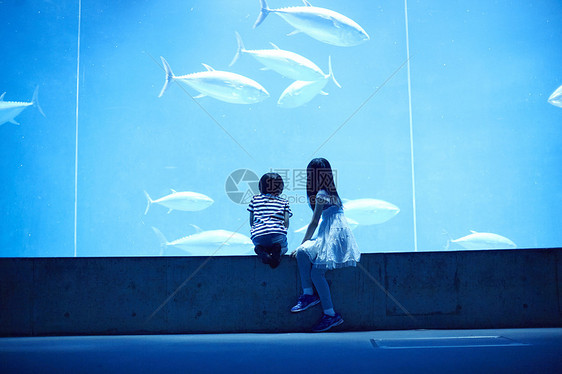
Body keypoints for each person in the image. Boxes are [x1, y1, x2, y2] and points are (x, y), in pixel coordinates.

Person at [291, 158, 360, 332]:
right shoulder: (332, 193)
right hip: (331, 234)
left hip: (332, 236)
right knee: (304, 256)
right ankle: (314, 300)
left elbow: (314, 222)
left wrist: (303, 242)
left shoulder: (321, 195)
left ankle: (328, 313)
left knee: (314, 269)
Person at [248, 172, 292, 268]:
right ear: (281, 188)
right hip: (277, 235)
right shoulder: (284, 202)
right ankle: (278, 251)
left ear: (261, 187)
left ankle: (261, 250)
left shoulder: (254, 200)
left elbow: (251, 222)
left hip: (258, 235)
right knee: (284, 247)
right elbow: (286, 222)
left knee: (261, 245)